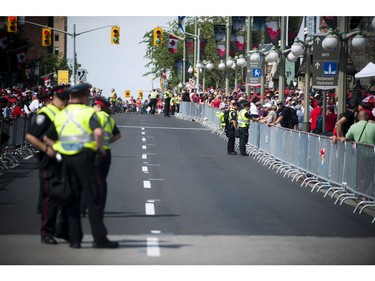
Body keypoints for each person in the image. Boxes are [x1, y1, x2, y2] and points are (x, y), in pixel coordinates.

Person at [46, 83, 118, 249]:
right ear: (85, 96)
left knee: (71, 198)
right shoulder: (88, 112)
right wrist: (100, 150)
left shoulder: (62, 114)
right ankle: (99, 238)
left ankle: (75, 239)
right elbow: (98, 133)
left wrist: (59, 150)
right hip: (85, 158)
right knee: (94, 198)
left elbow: (48, 137)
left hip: (65, 159)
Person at [25, 85, 70, 245]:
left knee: (65, 196)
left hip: (62, 158)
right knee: (50, 197)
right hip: (49, 160)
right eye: (62, 98)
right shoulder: (45, 114)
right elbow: (31, 136)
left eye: (66, 98)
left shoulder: (62, 113)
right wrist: (46, 149)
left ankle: (62, 230)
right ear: (53, 98)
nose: (65, 101)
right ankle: (47, 232)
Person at [81, 97, 121, 215]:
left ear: (97, 106)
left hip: (93, 151)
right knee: (101, 182)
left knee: (87, 180)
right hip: (106, 152)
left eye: (93, 105)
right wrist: (106, 142)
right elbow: (117, 135)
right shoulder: (109, 119)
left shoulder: (95, 117)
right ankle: (98, 208)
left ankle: (82, 207)